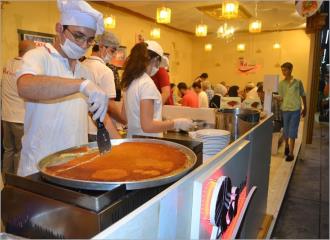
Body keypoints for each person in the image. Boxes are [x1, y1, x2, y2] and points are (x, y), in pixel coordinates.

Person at [16, 0, 108, 176]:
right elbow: (25, 86)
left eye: (89, 40)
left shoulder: (85, 71)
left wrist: (123, 145)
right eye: (78, 36)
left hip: (75, 166)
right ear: (59, 28)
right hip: (37, 168)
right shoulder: (38, 57)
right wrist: (80, 85)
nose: (83, 45)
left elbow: (98, 116)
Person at [120, 42, 193, 138]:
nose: (158, 68)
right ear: (155, 60)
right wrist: (175, 123)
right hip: (148, 142)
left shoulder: (130, 82)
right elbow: (147, 126)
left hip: (132, 140)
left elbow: (124, 117)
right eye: (159, 64)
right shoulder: (146, 83)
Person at [1, 40, 36, 175]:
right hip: (19, 117)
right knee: (19, 152)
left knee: (8, 150)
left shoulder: (8, 63)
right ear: (29, 52)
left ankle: (5, 179)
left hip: (6, 116)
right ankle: (14, 182)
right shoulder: (25, 68)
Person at [82, 31, 123, 141]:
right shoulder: (105, 71)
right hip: (98, 129)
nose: (114, 55)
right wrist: (123, 120)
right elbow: (110, 105)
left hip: (82, 128)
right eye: (112, 50)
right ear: (101, 47)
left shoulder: (81, 65)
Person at [278, 62, 307, 161]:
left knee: (293, 130)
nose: (283, 72)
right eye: (282, 70)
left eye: (285, 70)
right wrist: (275, 98)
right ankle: (286, 146)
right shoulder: (281, 83)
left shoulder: (298, 82)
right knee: (285, 129)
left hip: (295, 109)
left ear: (290, 70)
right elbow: (281, 97)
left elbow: (303, 94)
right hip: (285, 109)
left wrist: (305, 107)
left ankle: (291, 153)